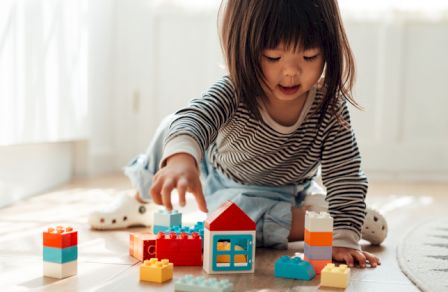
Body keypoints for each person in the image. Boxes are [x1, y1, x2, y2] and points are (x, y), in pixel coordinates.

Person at [89, 0, 388, 268]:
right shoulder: (235, 90)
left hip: (288, 190)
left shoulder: (329, 106)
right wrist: (181, 160)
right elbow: (196, 117)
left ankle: (338, 220)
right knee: (174, 127)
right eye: (273, 57)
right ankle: (141, 198)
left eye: (309, 57)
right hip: (220, 177)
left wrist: (344, 240)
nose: (291, 72)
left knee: (240, 218)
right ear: (243, 47)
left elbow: (345, 173)